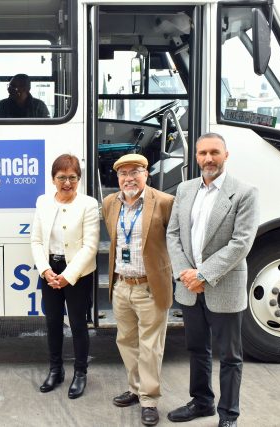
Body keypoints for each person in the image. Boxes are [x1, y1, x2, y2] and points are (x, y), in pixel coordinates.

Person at [166, 133, 259, 427]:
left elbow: (241, 243)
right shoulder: (185, 189)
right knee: (196, 348)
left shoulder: (244, 192)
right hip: (190, 288)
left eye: (214, 152)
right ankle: (202, 402)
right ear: (195, 157)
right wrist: (186, 274)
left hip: (223, 287)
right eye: (203, 153)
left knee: (230, 356)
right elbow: (173, 235)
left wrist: (203, 274)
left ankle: (229, 414)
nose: (208, 158)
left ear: (226, 155)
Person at [102, 154, 174, 426]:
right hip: (122, 285)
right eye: (123, 173)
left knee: (151, 347)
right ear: (117, 178)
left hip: (149, 287)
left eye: (135, 172)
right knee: (126, 342)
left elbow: (175, 242)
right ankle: (135, 389)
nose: (129, 178)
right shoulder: (110, 203)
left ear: (146, 174)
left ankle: (149, 399)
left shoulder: (165, 202)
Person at [30, 154, 99, 399]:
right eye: (62, 178)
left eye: (72, 178)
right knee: (53, 324)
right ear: (53, 179)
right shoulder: (43, 202)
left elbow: (90, 246)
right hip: (50, 271)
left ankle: (80, 373)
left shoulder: (88, 204)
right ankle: (56, 370)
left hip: (77, 274)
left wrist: (68, 276)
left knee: (79, 325)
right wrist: (45, 270)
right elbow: (36, 241)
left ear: (79, 179)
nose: (67, 183)